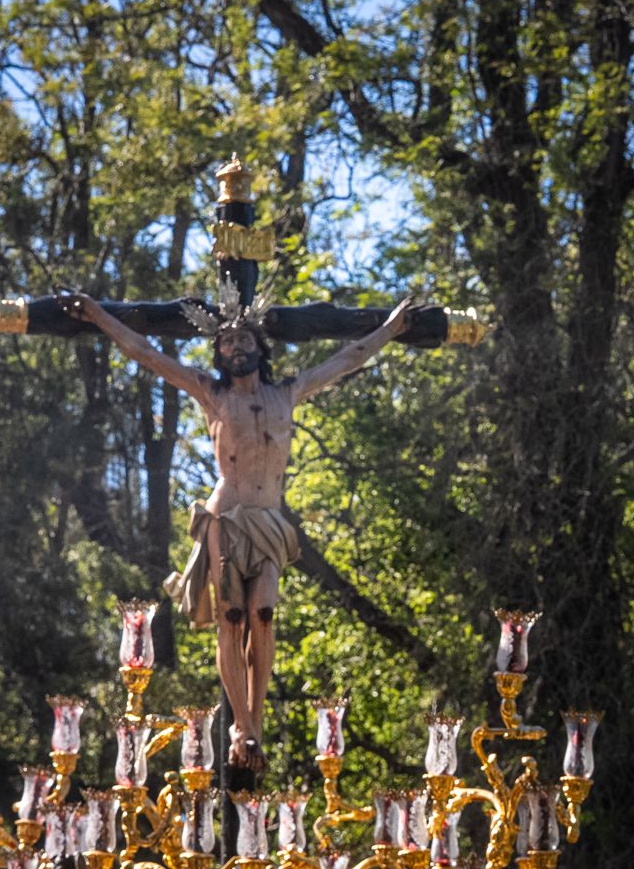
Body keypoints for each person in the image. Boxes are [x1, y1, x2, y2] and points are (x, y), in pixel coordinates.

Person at [60, 285, 414, 770]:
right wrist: (99, 314)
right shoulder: (212, 393)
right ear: (218, 354)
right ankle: (241, 728)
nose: (237, 346)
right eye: (226, 342)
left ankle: (254, 722)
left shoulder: (286, 392)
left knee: (263, 613)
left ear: (261, 347)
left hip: (269, 521)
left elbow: (349, 358)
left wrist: (391, 329)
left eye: (245, 339)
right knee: (231, 618)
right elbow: (143, 352)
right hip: (225, 519)